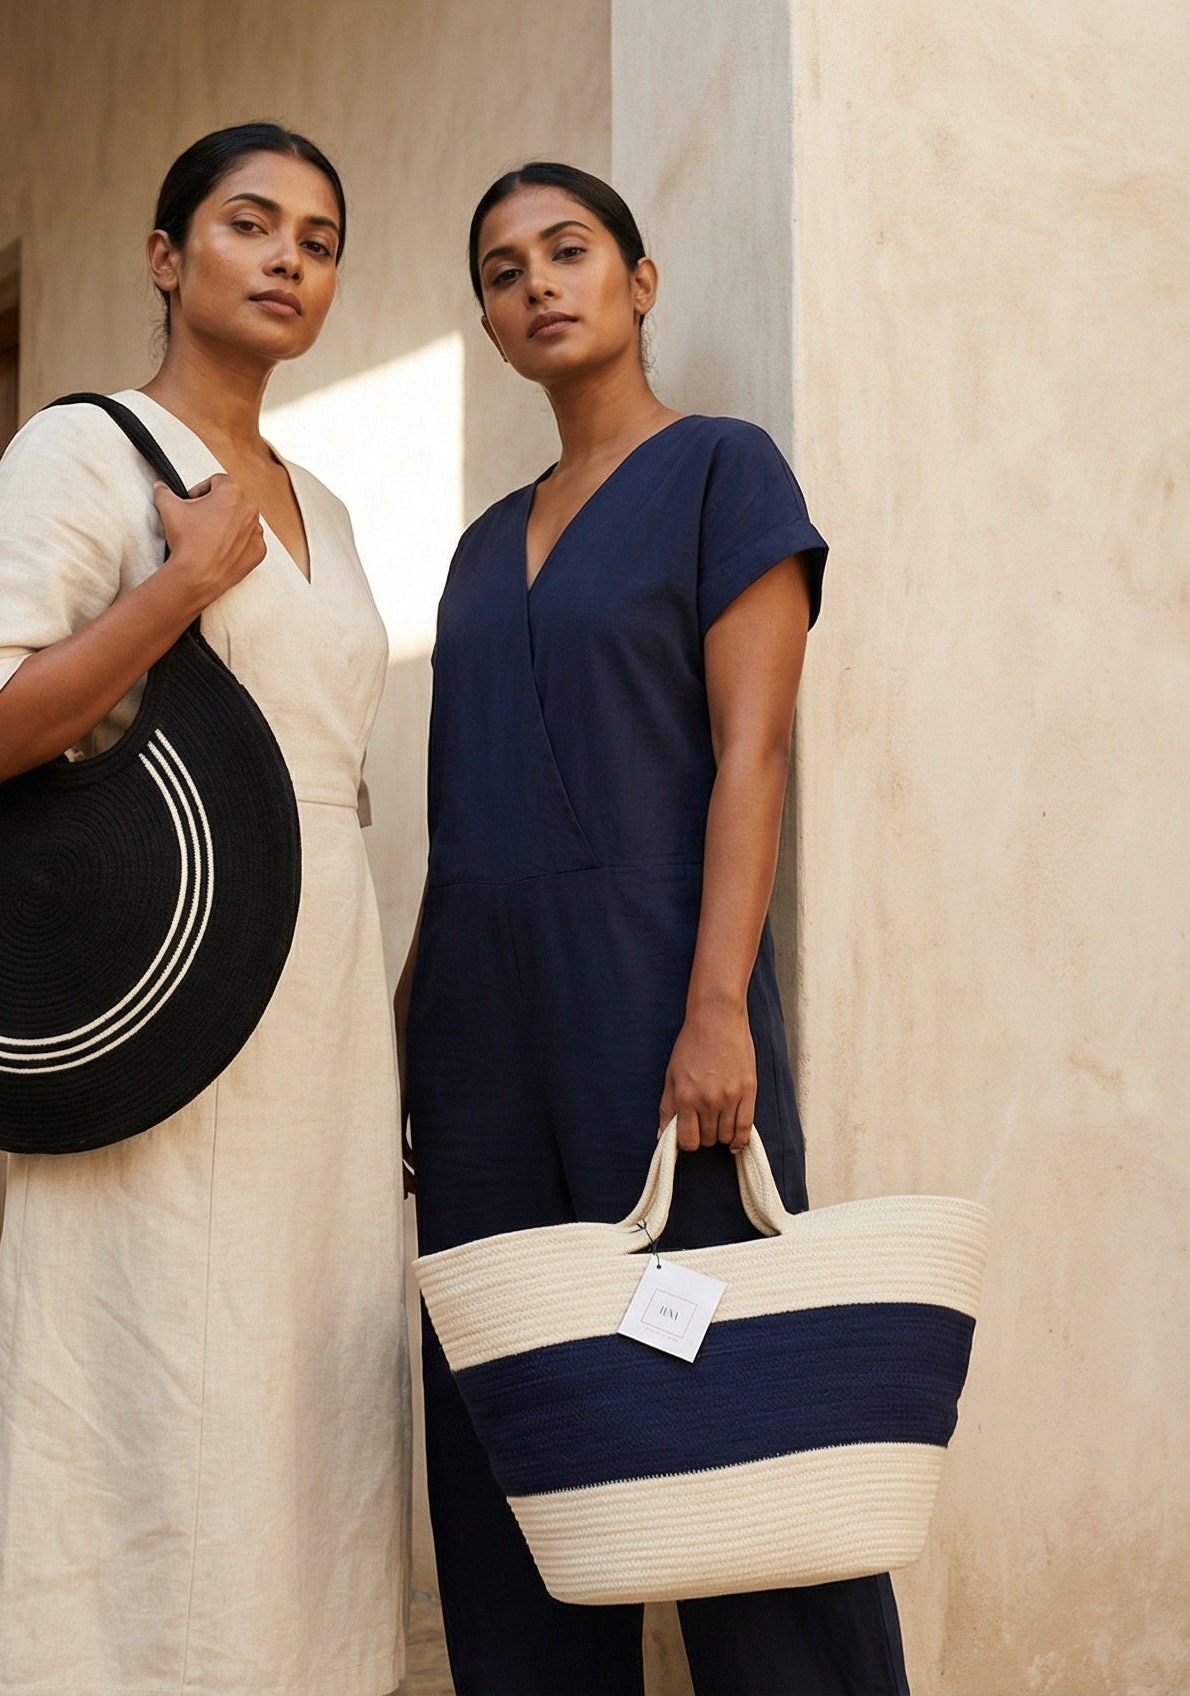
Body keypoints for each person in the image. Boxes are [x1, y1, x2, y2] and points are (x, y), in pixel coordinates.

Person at [400, 161, 911, 1695]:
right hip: (477, 1031)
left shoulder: (721, 473)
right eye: (502, 269)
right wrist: (412, 1043)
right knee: (518, 1426)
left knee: (724, 1398)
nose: (537, 284)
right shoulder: (482, 545)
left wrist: (716, 1009)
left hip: (650, 997)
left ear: (639, 278)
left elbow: (751, 754)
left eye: (568, 251)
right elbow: (452, 812)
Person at [0, 123, 409, 1696]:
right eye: (248, 223)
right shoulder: (86, 453)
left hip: (322, 1003)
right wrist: (174, 586)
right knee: (152, 1388)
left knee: (308, 1396)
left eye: (318, 239)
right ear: (164, 256)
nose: (286, 258)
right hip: (166, 978)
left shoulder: (323, 509)